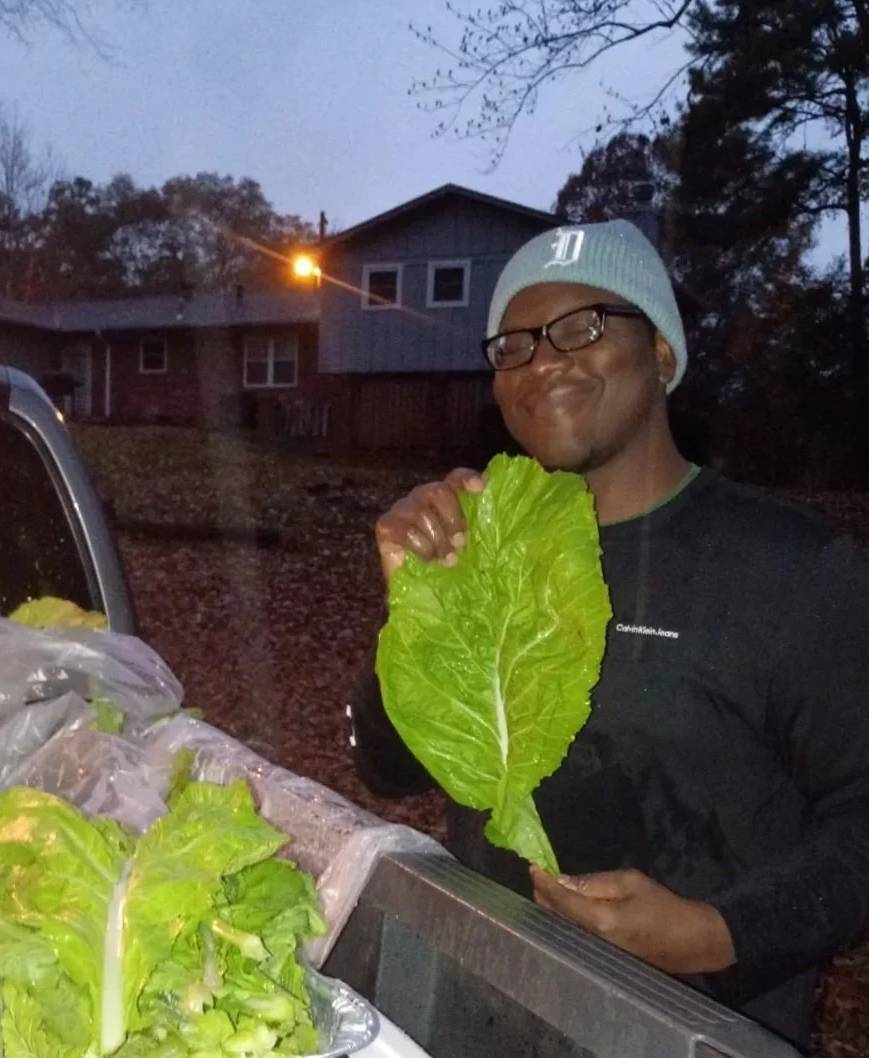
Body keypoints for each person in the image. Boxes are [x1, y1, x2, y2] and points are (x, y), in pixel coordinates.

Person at [347, 219, 869, 1053]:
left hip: (698, 1030)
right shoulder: (491, 544)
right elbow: (390, 765)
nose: (542, 360)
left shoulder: (794, 569)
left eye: (583, 326)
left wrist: (716, 933)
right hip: (486, 1008)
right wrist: (416, 606)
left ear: (662, 353)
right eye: (512, 344)